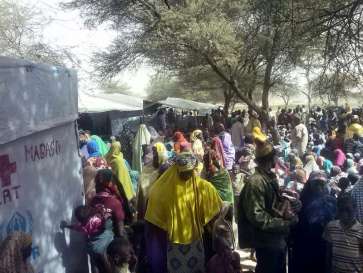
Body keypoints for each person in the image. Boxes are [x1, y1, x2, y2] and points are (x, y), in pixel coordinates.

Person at [145, 152, 222, 273]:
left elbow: (216, 211)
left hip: (197, 240)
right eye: (183, 173)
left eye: (189, 172)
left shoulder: (203, 187)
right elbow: (153, 218)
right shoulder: (162, 190)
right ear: (176, 169)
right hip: (172, 242)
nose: (187, 176)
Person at [238, 128, 298, 273]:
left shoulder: (268, 177)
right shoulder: (256, 182)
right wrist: (285, 223)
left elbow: (272, 204)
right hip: (266, 241)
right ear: (270, 159)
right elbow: (257, 216)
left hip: (276, 239)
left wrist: (290, 204)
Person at [290, 171, 337, 273]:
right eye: (316, 183)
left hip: (323, 244)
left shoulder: (331, 201)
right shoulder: (301, 200)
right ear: (310, 184)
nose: (319, 186)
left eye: (322, 183)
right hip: (303, 244)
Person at [323, 194, 363, 273]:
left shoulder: (361, 230)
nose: (345, 214)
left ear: (355, 209)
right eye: (341, 210)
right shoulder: (331, 227)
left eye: (348, 210)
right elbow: (328, 251)